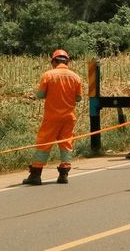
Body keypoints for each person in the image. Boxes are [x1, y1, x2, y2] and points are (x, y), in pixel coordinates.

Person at [22, 49, 84, 185]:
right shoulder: (75, 77)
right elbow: (79, 98)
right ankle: (64, 174)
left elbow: (40, 95)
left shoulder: (48, 75)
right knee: (66, 144)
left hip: (52, 117)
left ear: (54, 61)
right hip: (69, 117)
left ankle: (36, 174)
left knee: (44, 143)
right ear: (67, 61)